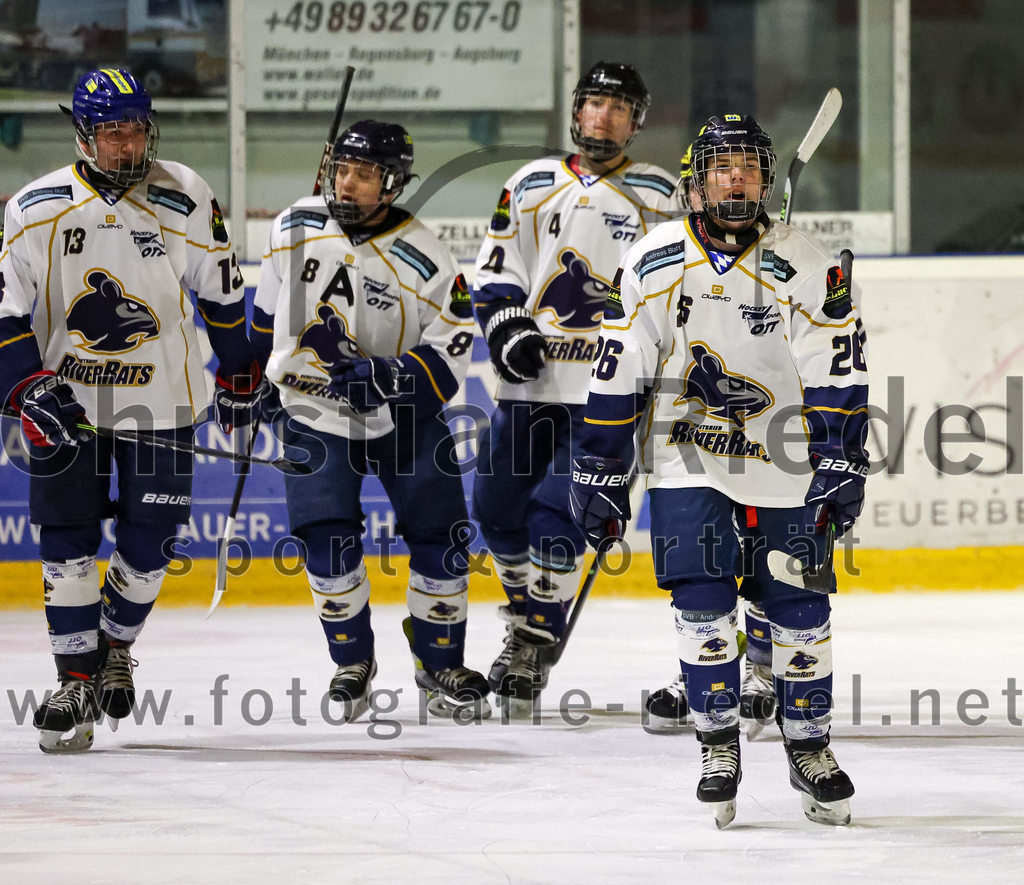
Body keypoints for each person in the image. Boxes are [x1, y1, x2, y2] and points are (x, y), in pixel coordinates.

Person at [570, 114, 867, 827]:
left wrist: (841, 454)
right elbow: (620, 372)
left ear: (766, 179)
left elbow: (838, 368)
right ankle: (717, 744)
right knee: (702, 601)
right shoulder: (652, 258)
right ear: (695, 180)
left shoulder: (807, 260)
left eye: (749, 166)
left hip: (787, 462)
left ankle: (809, 744)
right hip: (685, 459)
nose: (737, 177)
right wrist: (600, 467)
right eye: (722, 165)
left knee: (801, 608)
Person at [0, 68, 265, 753]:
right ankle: (76, 679)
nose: (128, 144)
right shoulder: (36, 206)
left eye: (137, 129)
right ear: (84, 135)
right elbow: (3, 310)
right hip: (70, 405)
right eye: (113, 131)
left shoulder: (183, 193)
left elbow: (223, 294)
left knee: (150, 544)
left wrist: (239, 371)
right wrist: (27, 387)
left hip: (165, 401)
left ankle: (115, 643)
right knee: (67, 539)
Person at [251, 120, 490, 722]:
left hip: (403, 418)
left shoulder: (428, 255)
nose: (348, 184)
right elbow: (261, 319)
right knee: (326, 539)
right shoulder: (292, 227)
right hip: (312, 411)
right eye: (342, 170)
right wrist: (252, 378)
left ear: (393, 183)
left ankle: (439, 665)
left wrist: (393, 376)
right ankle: (352, 662)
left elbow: (453, 346)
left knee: (444, 537)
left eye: (364, 174)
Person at [471, 61, 680, 713]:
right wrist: (507, 328)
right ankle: (533, 609)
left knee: (557, 513)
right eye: (593, 103)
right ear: (575, 111)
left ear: (636, 122)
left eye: (618, 107)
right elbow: (496, 270)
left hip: (607, 391)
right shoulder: (530, 183)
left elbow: (680, 287)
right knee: (496, 508)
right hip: (531, 382)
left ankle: (532, 638)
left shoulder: (661, 194)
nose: (603, 116)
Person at [645, 140, 777, 739]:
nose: (726, 187)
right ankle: (705, 672)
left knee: (762, 556)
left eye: (742, 171)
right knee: (702, 566)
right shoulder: (666, 258)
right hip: (691, 441)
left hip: (768, 444)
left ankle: (766, 673)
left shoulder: (782, 259)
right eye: (713, 177)